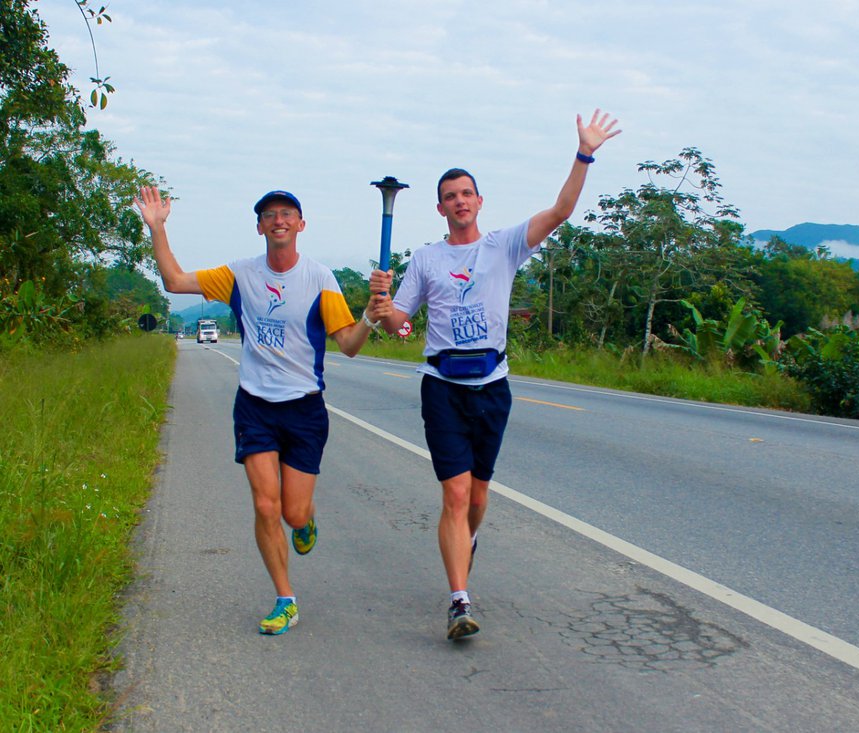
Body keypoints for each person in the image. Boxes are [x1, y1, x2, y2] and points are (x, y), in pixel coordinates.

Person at [367, 109, 621, 640]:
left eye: (467, 193)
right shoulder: (427, 259)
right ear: (440, 208)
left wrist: (584, 153)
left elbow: (561, 211)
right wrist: (384, 307)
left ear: (479, 201)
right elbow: (400, 323)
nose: (460, 201)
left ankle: (468, 540)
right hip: (442, 388)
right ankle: (459, 601)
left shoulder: (503, 245)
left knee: (478, 498)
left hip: (491, 387)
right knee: (456, 495)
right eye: (450, 196)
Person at [136, 186, 385, 635]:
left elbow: (348, 345)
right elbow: (174, 281)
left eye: (287, 213)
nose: (278, 220)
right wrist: (157, 227)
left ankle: (305, 521)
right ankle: (285, 599)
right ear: (259, 227)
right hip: (255, 406)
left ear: (301, 224)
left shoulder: (320, 279)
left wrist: (368, 316)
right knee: (266, 504)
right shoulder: (239, 274)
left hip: (304, 408)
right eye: (269, 215)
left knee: (293, 512)